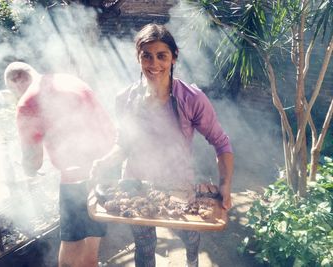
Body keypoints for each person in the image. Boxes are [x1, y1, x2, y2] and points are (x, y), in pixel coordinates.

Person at [90, 23, 234, 267]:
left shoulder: (192, 98)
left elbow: (221, 144)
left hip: (180, 186)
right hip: (136, 186)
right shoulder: (125, 98)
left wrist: (225, 184)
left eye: (161, 56)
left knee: (190, 239)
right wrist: (103, 162)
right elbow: (123, 144)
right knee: (145, 248)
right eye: (146, 56)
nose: (153, 64)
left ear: (174, 57)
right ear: (138, 58)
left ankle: (191, 262)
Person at [3, 61, 115, 267]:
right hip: (106, 168)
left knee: (71, 250)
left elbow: (33, 161)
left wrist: (27, 168)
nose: (16, 95)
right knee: (91, 240)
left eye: (13, 90)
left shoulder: (28, 102)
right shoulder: (70, 80)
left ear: (17, 81)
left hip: (77, 178)